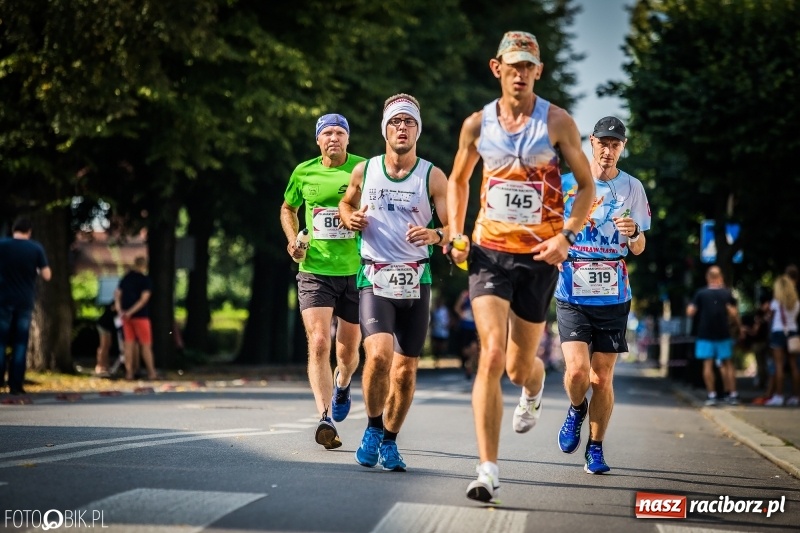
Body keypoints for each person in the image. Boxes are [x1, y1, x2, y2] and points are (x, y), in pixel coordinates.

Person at [446, 31, 594, 501]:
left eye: (528, 66)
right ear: (497, 68)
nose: (520, 73)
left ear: (538, 71)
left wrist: (566, 236)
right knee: (490, 354)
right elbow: (457, 179)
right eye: (512, 65)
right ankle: (487, 469)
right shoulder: (477, 125)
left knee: (517, 367)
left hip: (539, 257)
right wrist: (455, 232)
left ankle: (535, 385)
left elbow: (587, 188)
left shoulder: (558, 122)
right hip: (489, 251)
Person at [339, 93, 449, 472]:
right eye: (395, 122)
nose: (402, 128)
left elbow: (452, 229)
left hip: (417, 279)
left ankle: (390, 440)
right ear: (385, 129)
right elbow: (346, 204)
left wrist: (435, 236)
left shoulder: (433, 175)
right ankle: (372, 427)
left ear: (419, 129)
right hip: (374, 275)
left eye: (409, 122)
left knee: (405, 371)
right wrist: (349, 218)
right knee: (380, 356)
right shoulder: (365, 170)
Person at [554, 116, 651, 475]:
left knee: (602, 378)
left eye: (615, 144)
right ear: (591, 143)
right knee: (578, 373)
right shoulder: (568, 185)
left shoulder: (633, 188)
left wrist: (635, 231)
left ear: (622, 147)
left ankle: (595, 448)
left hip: (614, 293)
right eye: (602, 143)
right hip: (572, 288)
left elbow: (639, 247)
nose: (608, 150)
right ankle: (576, 408)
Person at [280, 113, 366, 450]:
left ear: (348, 139)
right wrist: (292, 240)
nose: (333, 138)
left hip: (357, 271)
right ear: (318, 140)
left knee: (347, 352)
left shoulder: (364, 169)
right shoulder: (304, 171)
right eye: (327, 133)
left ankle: (343, 383)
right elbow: (288, 208)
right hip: (315, 270)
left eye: (339, 132)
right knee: (318, 342)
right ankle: (325, 417)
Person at [0, 217, 51, 395]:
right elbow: (47, 275)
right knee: (20, 343)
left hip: (3, 299)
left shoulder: (3, 245)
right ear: (29, 231)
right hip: (24, 300)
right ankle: (15, 384)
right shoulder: (35, 248)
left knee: (1, 341)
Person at [686, 266, 741, 407]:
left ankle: (712, 395)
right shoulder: (727, 293)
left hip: (704, 333)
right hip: (723, 333)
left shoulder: (701, 294)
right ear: (720, 277)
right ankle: (732, 394)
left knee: (707, 364)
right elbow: (734, 314)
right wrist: (738, 328)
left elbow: (690, 311)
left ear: (708, 277)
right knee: (728, 364)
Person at [115, 256, 158, 381]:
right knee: (146, 345)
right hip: (141, 316)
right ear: (144, 266)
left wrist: (121, 311)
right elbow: (143, 299)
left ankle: (129, 373)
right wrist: (131, 312)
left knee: (129, 344)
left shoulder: (126, 279)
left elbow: (117, 295)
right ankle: (151, 372)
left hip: (125, 317)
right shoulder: (145, 280)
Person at [765, 274, 800, 406]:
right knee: (794, 366)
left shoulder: (776, 302)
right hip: (793, 333)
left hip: (778, 332)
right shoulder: (796, 302)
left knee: (779, 365)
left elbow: (770, 317)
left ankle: (779, 396)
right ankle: (796, 396)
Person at [454, 289, 479, 379]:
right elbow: (457, 307)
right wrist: (462, 315)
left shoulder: (479, 293)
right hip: (465, 326)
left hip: (475, 327)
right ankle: (469, 363)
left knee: (475, 348)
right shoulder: (465, 295)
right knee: (465, 351)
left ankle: (470, 366)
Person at [95, 303, 119, 377]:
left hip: (109, 327)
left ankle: (105, 365)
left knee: (108, 345)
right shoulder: (114, 303)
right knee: (104, 345)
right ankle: (99, 365)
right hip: (103, 325)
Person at [429, 296, 451, 364]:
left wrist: (448, 324)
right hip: (436, 331)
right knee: (436, 345)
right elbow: (432, 320)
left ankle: (443, 356)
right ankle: (437, 359)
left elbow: (448, 318)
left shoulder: (445, 310)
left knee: (443, 345)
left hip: (443, 331)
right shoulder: (434, 310)